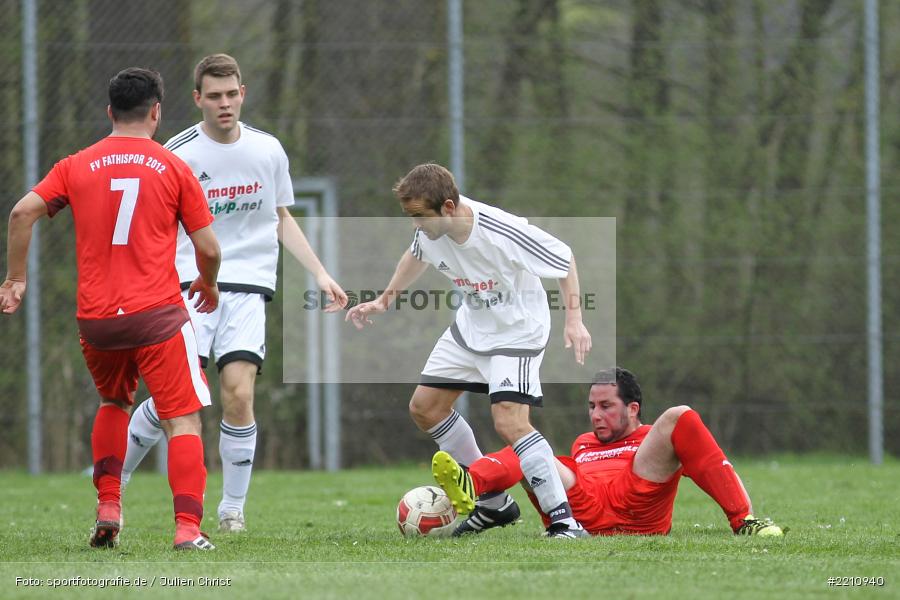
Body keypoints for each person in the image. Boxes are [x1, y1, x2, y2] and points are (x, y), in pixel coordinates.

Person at [120, 54, 347, 533]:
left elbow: (280, 218)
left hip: (249, 287)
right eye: (214, 96)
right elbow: (156, 227)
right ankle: (113, 486)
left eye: (231, 94)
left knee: (239, 394)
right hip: (189, 285)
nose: (224, 103)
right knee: (173, 400)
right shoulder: (179, 154)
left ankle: (231, 510)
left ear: (242, 94)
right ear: (198, 99)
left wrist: (320, 273)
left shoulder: (268, 150)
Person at [1, 68, 221, 550]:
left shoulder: (75, 165)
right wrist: (207, 282)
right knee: (182, 419)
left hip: (98, 321)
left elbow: (21, 212)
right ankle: (187, 529)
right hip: (157, 316)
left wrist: (16, 278)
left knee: (114, 402)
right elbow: (208, 247)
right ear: (156, 112)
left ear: (109, 112)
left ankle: (108, 507)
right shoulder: (173, 166)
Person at [346, 163, 592, 538]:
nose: (415, 225)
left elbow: (564, 257)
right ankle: (493, 503)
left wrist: (574, 319)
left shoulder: (500, 231)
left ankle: (564, 522)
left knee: (509, 422)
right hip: (472, 328)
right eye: (410, 217)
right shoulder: (429, 231)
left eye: (419, 216)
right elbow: (416, 254)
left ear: (448, 207)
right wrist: (383, 300)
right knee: (425, 408)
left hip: (517, 331)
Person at [432, 367, 785, 537]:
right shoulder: (583, 442)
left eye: (606, 406)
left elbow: (711, 463)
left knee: (680, 415)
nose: (596, 415)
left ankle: (744, 521)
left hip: (636, 507)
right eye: (591, 406)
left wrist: (742, 506)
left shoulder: (652, 438)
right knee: (529, 446)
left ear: (633, 409)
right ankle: (472, 484)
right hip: (582, 512)